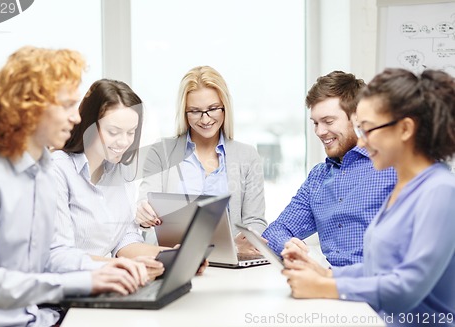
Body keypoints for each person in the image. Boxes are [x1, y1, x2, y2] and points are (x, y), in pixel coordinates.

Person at [0, 47, 148, 327]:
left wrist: (106, 268)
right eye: (67, 105)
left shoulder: (42, 169)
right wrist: (81, 280)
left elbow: (53, 253)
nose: (77, 118)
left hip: (38, 318)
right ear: (29, 107)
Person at [282, 68, 455, 326]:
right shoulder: (406, 187)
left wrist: (324, 287)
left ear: (405, 129)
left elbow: (407, 288)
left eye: (368, 130)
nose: (361, 144)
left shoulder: (440, 190)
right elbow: (380, 267)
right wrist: (327, 275)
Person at [262, 71, 397, 266]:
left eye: (328, 121)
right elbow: (276, 231)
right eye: (316, 123)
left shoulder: (393, 168)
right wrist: (287, 245)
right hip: (331, 286)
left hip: (377, 288)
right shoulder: (318, 177)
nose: (319, 131)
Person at [136, 66, 267, 254]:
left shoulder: (247, 156)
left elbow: (256, 221)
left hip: (231, 265)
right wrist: (143, 215)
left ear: (225, 107)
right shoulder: (161, 152)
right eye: (195, 111)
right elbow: (145, 212)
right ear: (184, 112)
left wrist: (242, 243)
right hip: (174, 260)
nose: (205, 120)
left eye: (213, 109)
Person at [51, 79, 167, 279]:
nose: (124, 142)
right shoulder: (57, 171)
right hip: (64, 296)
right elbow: (60, 256)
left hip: (105, 284)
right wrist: (124, 267)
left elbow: (125, 238)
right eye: (113, 132)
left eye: (131, 133)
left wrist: (168, 257)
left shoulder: (118, 171)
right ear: (88, 125)